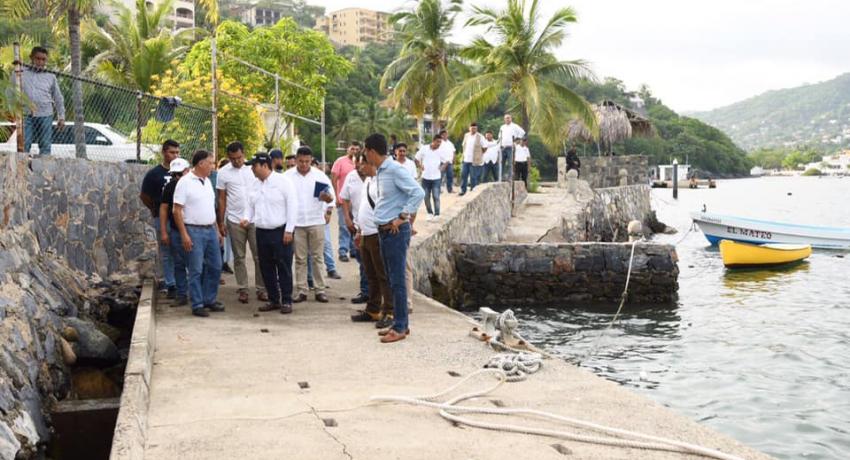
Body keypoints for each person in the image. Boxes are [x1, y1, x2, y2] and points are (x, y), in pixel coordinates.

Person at [364, 133, 425, 343]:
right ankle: (399, 322)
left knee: (398, 280)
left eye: (366, 151)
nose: (365, 155)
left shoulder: (394, 170)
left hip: (395, 231)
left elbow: (418, 192)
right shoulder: (382, 171)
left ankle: (400, 327)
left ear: (371, 151)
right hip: (384, 230)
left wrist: (402, 217)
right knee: (391, 279)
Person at [242, 153, 298, 314]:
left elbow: (292, 206)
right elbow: (250, 205)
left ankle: (286, 300)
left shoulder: (283, 182)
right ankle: (274, 299)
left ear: (265, 165)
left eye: (254, 166)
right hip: (261, 231)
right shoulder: (254, 185)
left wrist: (289, 230)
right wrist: (247, 218)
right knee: (266, 267)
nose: (252, 169)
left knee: (283, 266)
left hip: (280, 231)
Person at [172, 150, 224, 317]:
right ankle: (197, 303)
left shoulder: (208, 181)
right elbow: (176, 210)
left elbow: (211, 208)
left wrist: (217, 230)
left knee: (216, 266)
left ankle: (209, 299)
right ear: (201, 163)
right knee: (196, 269)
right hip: (193, 230)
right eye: (210, 163)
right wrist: (184, 234)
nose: (213, 166)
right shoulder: (185, 182)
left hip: (210, 229)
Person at [216, 142, 266, 304]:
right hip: (234, 219)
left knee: (259, 255)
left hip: (255, 218)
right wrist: (220, 222)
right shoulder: (223, 173)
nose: (236, 161)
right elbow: (221, 199)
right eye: (232, 159)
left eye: (238, 158)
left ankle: (261, 288)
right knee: (239, 257)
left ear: (244, 154)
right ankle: (243, 288)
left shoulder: (253, 169)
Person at [285, 146, 335, 303]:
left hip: (315, 221)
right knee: (300, 258)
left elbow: (331, 198)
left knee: (317, 257)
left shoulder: (320, 176)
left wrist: (327, 207)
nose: (304, 164)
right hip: (297, 223)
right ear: (296, 160)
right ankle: (301, 290)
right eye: (301, 161)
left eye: (307, 161)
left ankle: (320, 289)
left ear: (311, 160)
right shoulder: (287, 177)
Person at [350, 157, 393, 325]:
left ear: (371, 164)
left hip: (377, 233)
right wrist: (359, 229)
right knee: (371, 275)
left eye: (363, 163)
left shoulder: (382, 181)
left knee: (382, 275)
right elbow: (364, 206)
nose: (360, 166)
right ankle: (373, 309)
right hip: (366, 232)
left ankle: (389, 311)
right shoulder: (368, 181)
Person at [140, 139, 181, 298]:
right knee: (166, 251)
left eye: (177, 152)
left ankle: (180, 283)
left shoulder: (183, 172)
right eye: (172, 152)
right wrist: (154, 209)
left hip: (179, 218)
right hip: (162, 218)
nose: (175, 155)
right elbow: (144, 196)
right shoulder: (154, 174)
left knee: (180, 251)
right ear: (164, 152)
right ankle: (169, 283)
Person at [158, 158, 191, 306]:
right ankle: (181, 292)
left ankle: (197, 293)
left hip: (195, 228)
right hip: (177, 230)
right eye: (174, 175)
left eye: (180, 174)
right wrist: (164, 231)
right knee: (178, 262)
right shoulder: (170, 187)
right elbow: (164, 208)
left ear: (187, 171)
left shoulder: (195, 184)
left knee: (197, 264)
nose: (177, 178)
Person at [21, 46, 64, 155]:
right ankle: (22, 169)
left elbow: (58, 97)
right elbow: (10, 91)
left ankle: (44, 169)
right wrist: (11, 110)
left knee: (45, 144)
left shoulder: (51, 76)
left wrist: (61, 116)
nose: (40, 62)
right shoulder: (20, 72)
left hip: (45, 114)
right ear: (31, 58)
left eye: (43, 59)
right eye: (38, 58)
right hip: (25, 113)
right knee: (24, 143)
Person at [339, 154, 369, 305]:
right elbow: (344, 198)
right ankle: (365, 291)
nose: (361, 167)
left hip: (373, 227)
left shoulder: (375, 177)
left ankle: (371, 292)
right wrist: (347, 218)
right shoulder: (351, 177)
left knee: (370, 261)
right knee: (361, 259)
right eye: (358, 164)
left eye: (363, 163)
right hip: (357, 225)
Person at [331, 142, 360, 262]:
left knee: (356, 225)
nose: (354, 151)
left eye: (357, 149)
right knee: (344, 226)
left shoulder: (360, 163)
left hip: (357, 200)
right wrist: (337, 197)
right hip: (343, 200)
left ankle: (353, 249)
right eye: (352, 148)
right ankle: (343, 250)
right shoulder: (340, 161)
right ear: (347, 149)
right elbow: (334, 179)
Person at [414, 136, 445, 221]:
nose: (439, 144)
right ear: (433, 141)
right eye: (437, 142)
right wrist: (420, 166)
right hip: (425, 177)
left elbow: (446, 161)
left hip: (436, 178)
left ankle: (437, 214)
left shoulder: (441, 151)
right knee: (426, 196)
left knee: (436, 196)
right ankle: (430, 213)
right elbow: (416, 158)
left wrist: (442, 167)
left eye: (440, 142)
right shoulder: (424, 148)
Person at [217, 158, 235, 274]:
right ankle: (220, 264)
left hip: (230, 212)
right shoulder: (218, 177)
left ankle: (225, 262)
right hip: (220, 211)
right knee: (221, 239)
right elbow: (220, 197)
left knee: (228, 241)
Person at [460, 122, 487, 195]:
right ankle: (463, 190)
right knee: (463, 175)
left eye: (475, 128)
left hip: (474, 160)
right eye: (472, 128)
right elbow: (463, 146)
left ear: (477, 129)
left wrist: (479, 155)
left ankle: (473, 191)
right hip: (466, 159)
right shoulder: (466, 135)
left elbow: (485, 147)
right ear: (469, 128)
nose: (473, 129)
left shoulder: (480, 136)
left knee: (473, 177)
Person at [497, 114, 526, 181]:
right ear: (504, 119)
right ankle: (501, 177)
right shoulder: (502, 127)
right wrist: (499, 146)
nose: (507, 119)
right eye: (506, 118)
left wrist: (516, 141)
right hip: (503, 147)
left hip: (510, 147)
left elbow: (523, 133)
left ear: (511, 118)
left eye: (508, 118)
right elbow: (499, 137)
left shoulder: (514, 126)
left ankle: (510, 177)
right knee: (502, 163)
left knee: (510, 163)